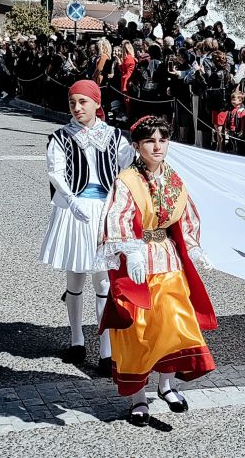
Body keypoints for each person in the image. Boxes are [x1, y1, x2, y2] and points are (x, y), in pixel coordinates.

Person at [97, 116, 217, 426]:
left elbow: (186, 217)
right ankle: (138, 399)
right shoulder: (127, 180)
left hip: (168, 260)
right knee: (138, 331)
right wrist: (131, 251)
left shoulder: (174, 179)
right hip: (138, 264)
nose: (158, 145)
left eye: (163, 139)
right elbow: (117, 217)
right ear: (137, 146)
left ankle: (167, 386)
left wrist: (193, 247)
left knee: (174, 324)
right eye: (150, 140)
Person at [39, 80, 134, 375]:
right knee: (76, 276)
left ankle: (106, 348)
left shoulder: (116, 136)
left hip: (105, 210)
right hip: (75, 210)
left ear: (96, 103)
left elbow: (127, 170)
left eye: (83, 102)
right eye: (73, 103)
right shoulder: (61, 136)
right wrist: (69, 199)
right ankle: (77, 339)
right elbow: (56, 173)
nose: (77, 108)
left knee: (103, 281)